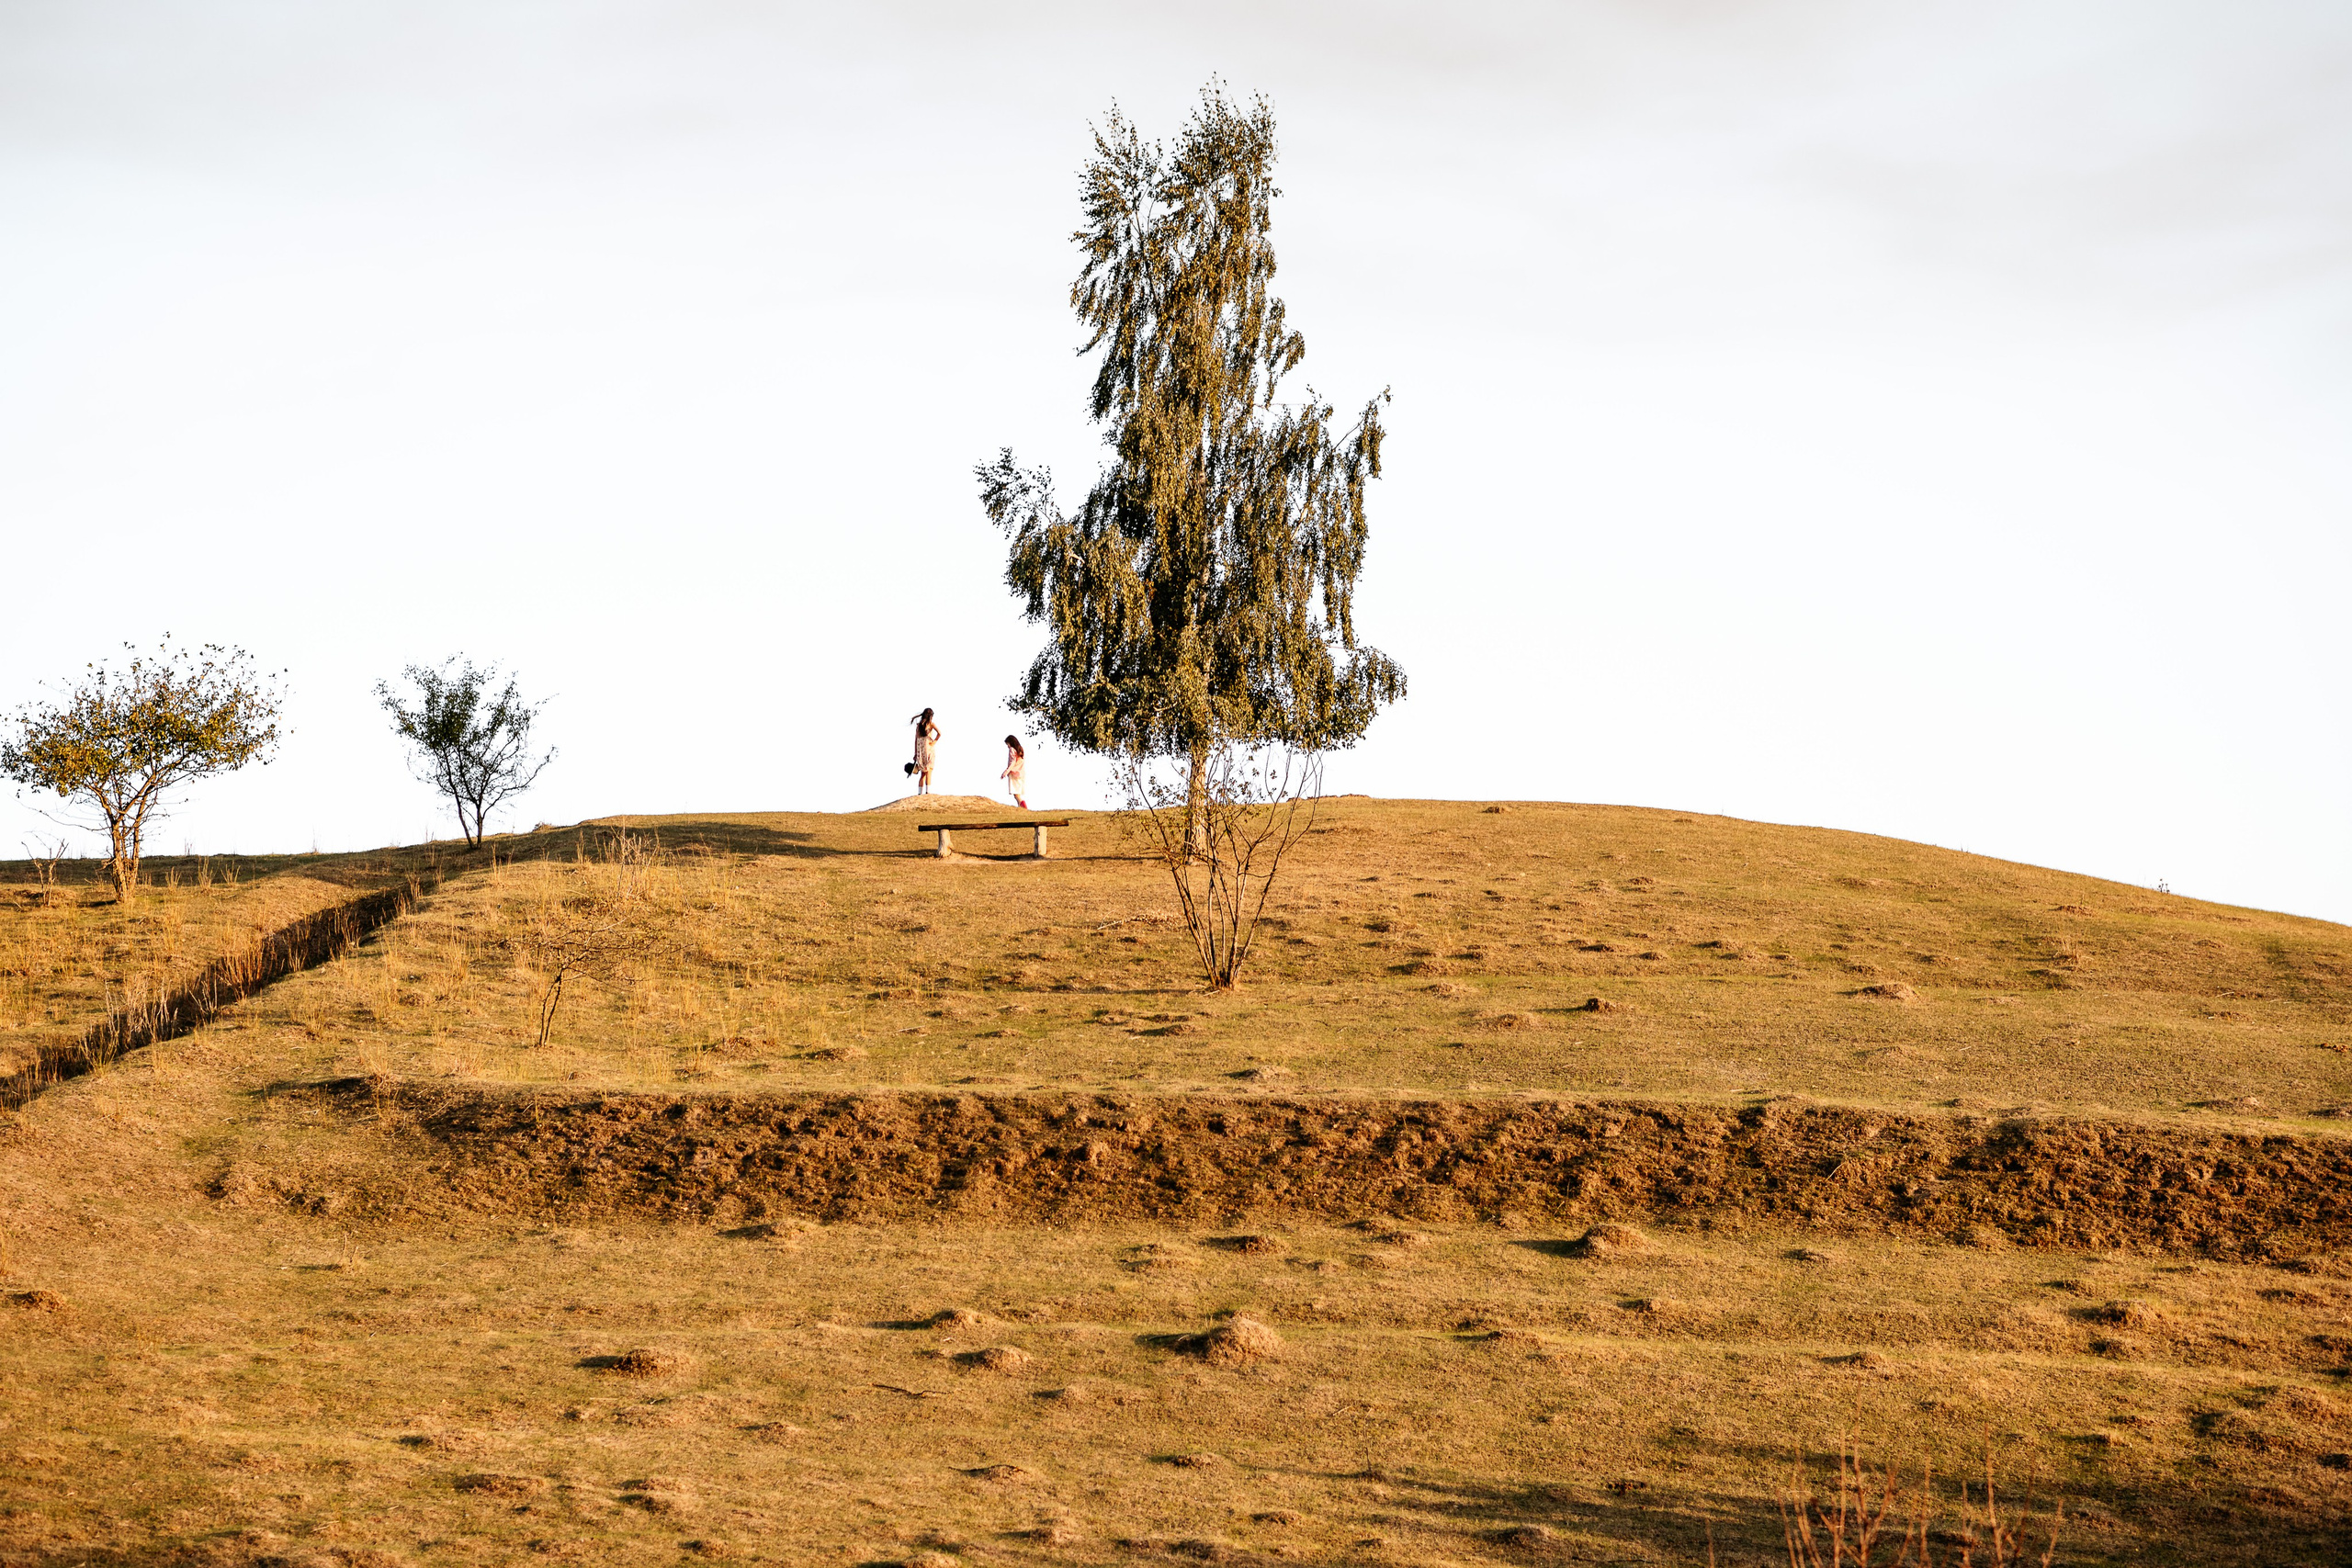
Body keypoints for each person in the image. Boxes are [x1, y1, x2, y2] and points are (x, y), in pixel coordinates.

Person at [905, 708, 941, 793]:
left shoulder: (919, 726)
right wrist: (934, 741)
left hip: (920, 752)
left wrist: (915, 753)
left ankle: (919, 793)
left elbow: (916, 740)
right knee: (929, 771)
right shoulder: (931, 724)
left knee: (922, 774)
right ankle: (928, 792)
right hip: (929, 750)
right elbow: (939, 733)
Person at [1001, 735, 1028, 809]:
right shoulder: (1020, 749)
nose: (1008, 746)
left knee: (1016, 794)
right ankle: (1020, 807)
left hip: (1014, 774)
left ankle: (1023, 806)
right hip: (1021, 774)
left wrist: (1005, 772)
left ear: (1010, 742)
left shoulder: (1012, 750)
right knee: (1017, 793)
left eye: (1007, 744)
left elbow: (1012, 762)